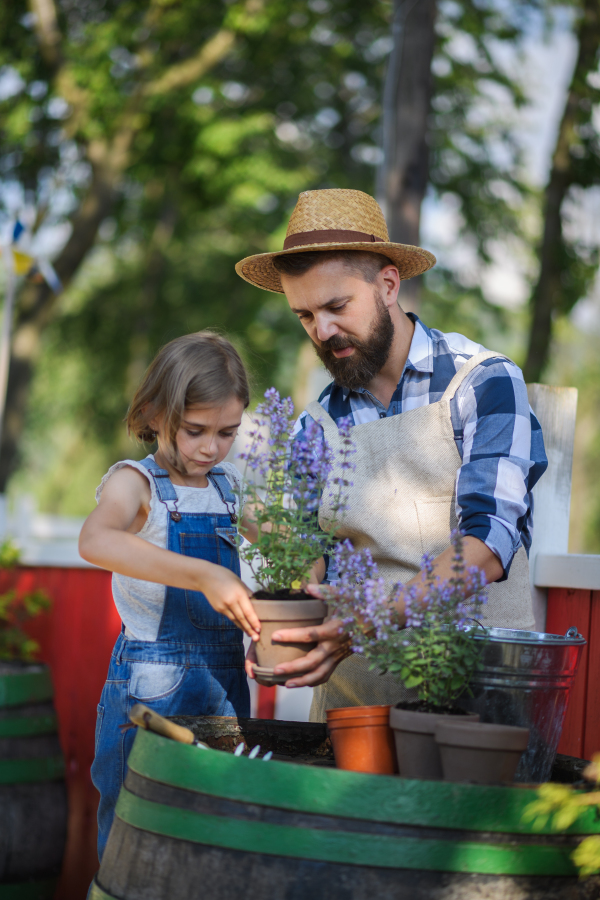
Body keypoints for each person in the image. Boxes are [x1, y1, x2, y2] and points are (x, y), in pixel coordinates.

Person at [236, 188, 548, 721]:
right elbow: (312, 566)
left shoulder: (481, 383)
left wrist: (363, 621)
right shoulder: (316, 426)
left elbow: (489, 544)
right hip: (352, 705)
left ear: (387, 284)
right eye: (305, 315)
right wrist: (290, 625)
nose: (323, 331)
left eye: (337, 306)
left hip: (475, 699)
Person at [79, 331, 263, 859]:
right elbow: (95, 540)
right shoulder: (134, 483)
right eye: (196, 430)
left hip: (225, 682)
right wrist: (204, 575)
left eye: (227, 432)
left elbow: (294, 550)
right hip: (152, 685)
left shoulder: (232, 486)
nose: (211, 447)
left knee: (211, 829)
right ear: (158, 414)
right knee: (139, 829)